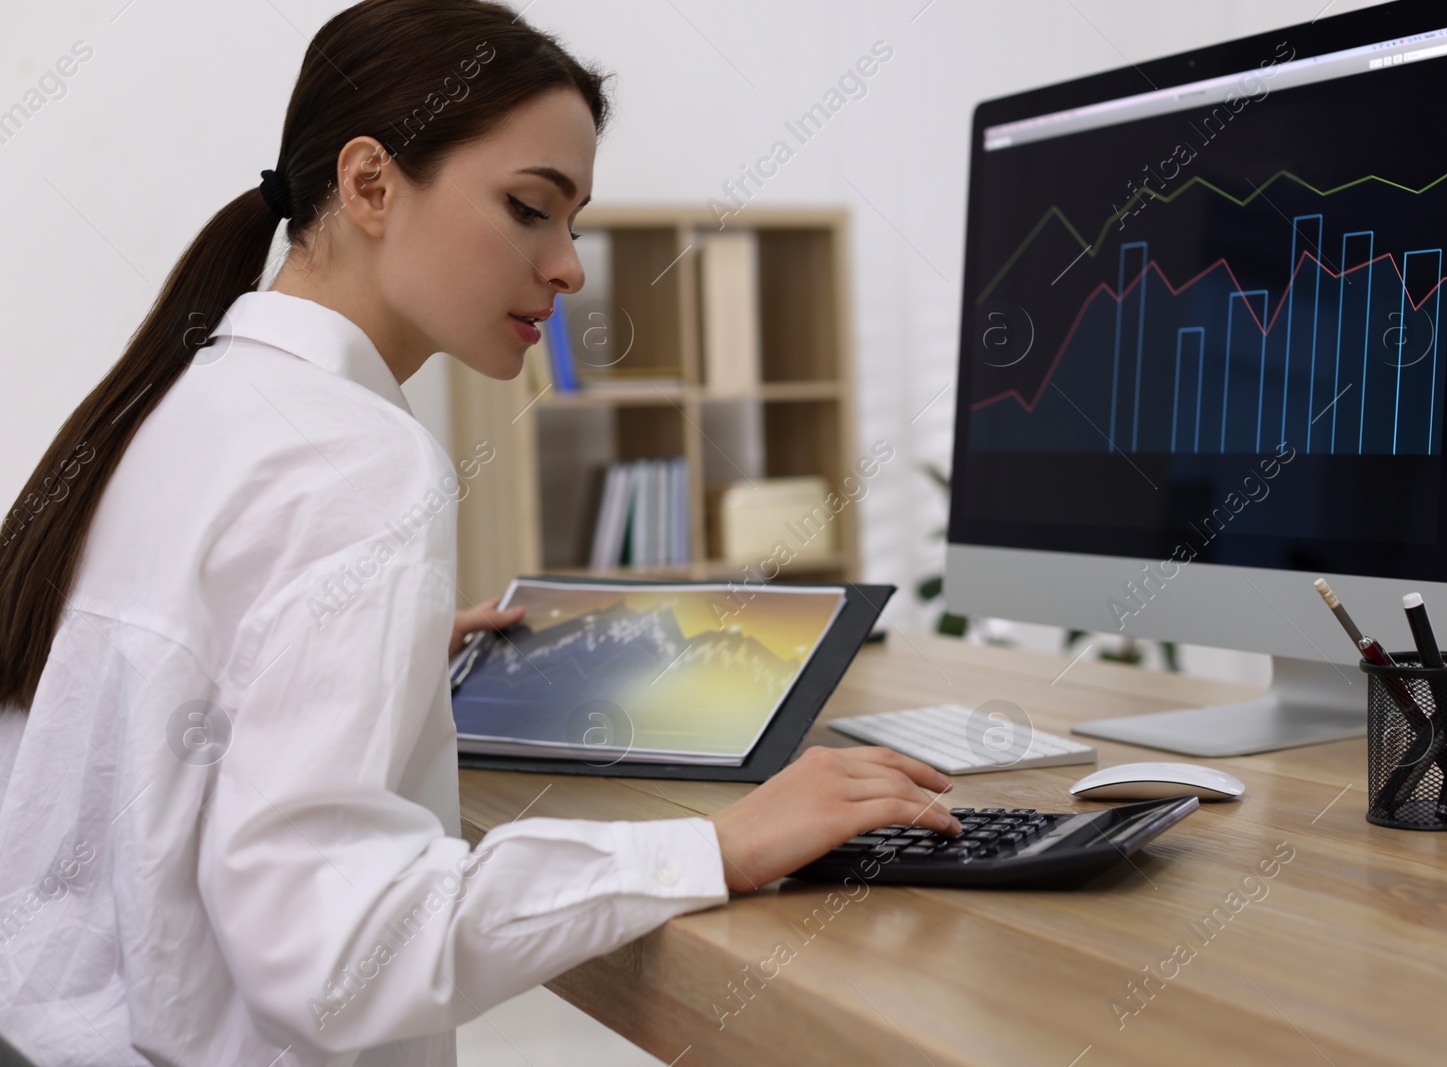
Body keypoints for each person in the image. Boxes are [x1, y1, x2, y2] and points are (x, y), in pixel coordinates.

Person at [0, 2, 961, 1064]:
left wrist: (357, 644)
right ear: (369, 184)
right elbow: (339, 951)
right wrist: (711, 846)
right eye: (528, 208)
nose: (569, 267)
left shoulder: (193, 398)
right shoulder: (352, 456)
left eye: (575, 224)